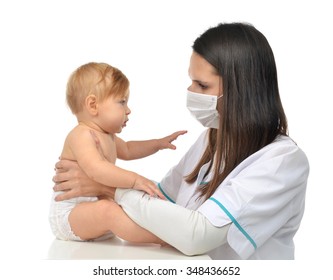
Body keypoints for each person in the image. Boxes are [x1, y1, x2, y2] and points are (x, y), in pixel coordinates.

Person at [52, 23, 310, 259]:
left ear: (241, 88)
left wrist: (108, 188)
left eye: (202, 85)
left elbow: (197, 236)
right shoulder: (214, 137)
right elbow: (164, 202)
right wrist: (123, 188)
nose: (190, 92)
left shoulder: (282, 162)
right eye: (191, 81)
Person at [49, 62, 186, 242]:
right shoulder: (81, 135)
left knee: (127, 204)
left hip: (96, 209)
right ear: (93, 105)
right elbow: (96, 169)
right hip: (71, 214)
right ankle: (164, 239)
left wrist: (157, 144)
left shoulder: (108, 136)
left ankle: (168, 232)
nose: (128, 110)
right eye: (122, 102)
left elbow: (128, 150)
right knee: (110, 211)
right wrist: (135, 180)